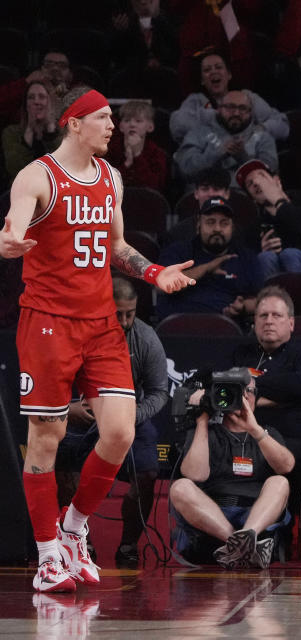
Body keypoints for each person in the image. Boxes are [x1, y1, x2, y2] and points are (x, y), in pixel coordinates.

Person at [0, 85, 193, 592]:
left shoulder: (111, 178)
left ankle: (73, 530)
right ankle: (46, 558)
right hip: (47, 322)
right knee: (47, 439)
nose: (112, 126)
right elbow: (14, 222)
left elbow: (117, 246)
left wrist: (154, 274)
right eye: (103, 118)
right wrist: (10, 239)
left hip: (101, 322)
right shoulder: (37, 175)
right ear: (74, 123)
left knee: (120, 433)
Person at [56, 277, 169, 569]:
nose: (124, 320)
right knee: (63, 462)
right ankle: (80, 540)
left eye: (129, 314)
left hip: (129, 415)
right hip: (84, 414)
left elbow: (159, 392)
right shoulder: (77, 333)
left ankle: (129, 544)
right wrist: (68, 408)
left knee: (147, 471)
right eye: (117, 313)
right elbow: (51, 381)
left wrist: (132, 415)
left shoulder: (145, 339)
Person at [170, 372, 295, 569]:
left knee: (280, 482)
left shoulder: (267, 432)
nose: (243, 397)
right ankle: (240, 544)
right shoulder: (206, 432)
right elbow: (196, 475)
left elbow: (286, 466)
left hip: (255, 515)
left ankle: (246, 537)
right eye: (235, 391)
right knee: (181, 487)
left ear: (256, 397)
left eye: (249, 391)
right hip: (214, 517)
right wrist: (202, 420)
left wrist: (254, 429)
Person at [231, 286, 301, 475]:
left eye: (277, 315)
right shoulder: (241, 354)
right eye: (263, 316)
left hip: (290, 438)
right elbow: (227, 388)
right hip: (241, 435)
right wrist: (280, 396)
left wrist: (251, 386)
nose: (269, 321)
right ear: (254, 323)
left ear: (291, 323)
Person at [156, 196, 263, 321]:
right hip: (178, 329)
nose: (217, 229)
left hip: (227, 332)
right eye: (210, 222)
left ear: (232, 228)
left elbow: (261, 300)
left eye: (224, 223)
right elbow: (161, 286)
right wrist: (206, 269)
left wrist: (243, 307)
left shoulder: (246, 257)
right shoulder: (179, 250)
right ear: (199, 225)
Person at [235, 159, 301, 277]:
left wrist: (278, 201)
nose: (256, 183)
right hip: (276, 285)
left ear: (277, 180)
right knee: (265, 258)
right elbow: (246, 267)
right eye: (250, 183)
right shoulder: (255, 228)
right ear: (252, 198)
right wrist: (261, 250)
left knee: (290, 255)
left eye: (261, 176)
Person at [169, 52, 289, 145]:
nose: (213, 72)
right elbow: (177, 126)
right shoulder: (196, 101)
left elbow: (282, 125)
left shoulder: (247, 97)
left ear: (229, 74)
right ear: (202, 81)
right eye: (207, 70)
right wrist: (217, 116)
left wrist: (259, 130)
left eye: (218, 67)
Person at [173, 89, 279, 181]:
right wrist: (218, 153)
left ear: (250, 112)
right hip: (205, 195)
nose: (236, 113)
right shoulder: (198, 133)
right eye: (230, 107)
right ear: (219, 109)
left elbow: (270, 176)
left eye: (242, 108)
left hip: (246, 199)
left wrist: (244, 158)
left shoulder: (263, 138)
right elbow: (185, 170)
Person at [104, 100, 168, 192]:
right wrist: (127, 164)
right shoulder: (111, 150)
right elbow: (107, 184)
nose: (132, 125)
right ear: (121, 126)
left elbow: (153, 186)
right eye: (127, 121)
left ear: (150, 127)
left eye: (138, 121)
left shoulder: (157, 154)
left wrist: (138, 155)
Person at [2, 81, 59, 179]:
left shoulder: (65, 132)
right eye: (31, 97)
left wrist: (51, 131)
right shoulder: (11, 133)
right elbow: (15, 169)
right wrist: (29, 130)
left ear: (50, 103)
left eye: (42, 97)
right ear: (25, 105)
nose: (36, 102)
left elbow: (65, 167)